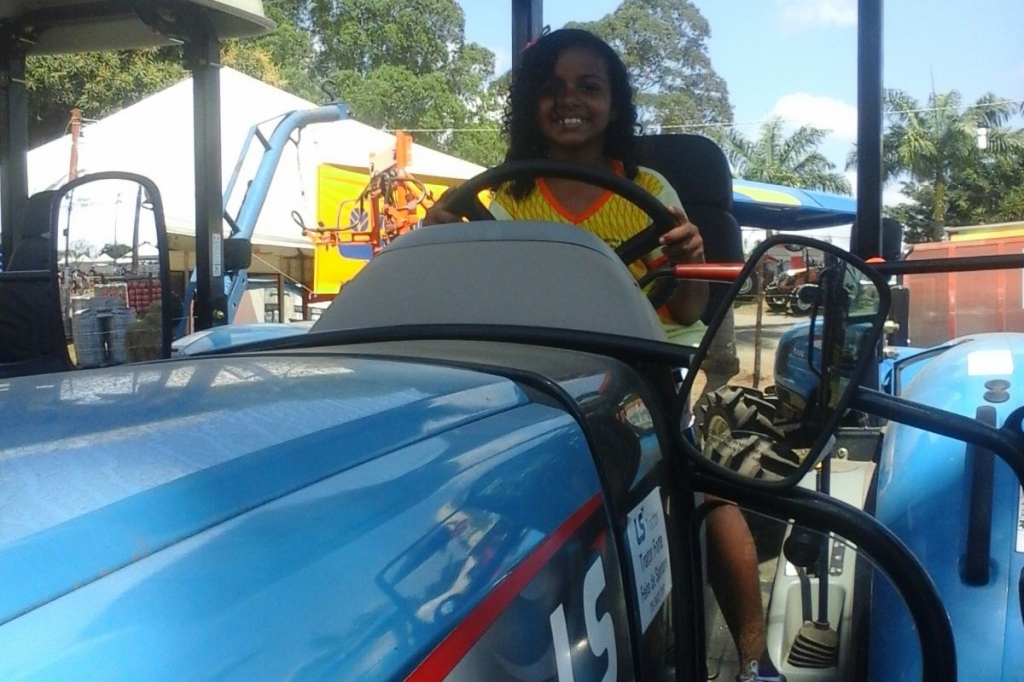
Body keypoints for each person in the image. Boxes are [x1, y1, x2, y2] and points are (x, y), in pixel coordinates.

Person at [425, 28, 782, 682]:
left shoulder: (649, 189)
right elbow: (486, 298)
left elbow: (688, 312)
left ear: (614, 104)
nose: (570, 100)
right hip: (543, 380)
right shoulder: (508, 200)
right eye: (552, 88)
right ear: (530, 104)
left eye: (588, 87)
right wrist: (442, 242)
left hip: (640, 374)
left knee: (707, 492)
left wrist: (690, 259)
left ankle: (756, 662)